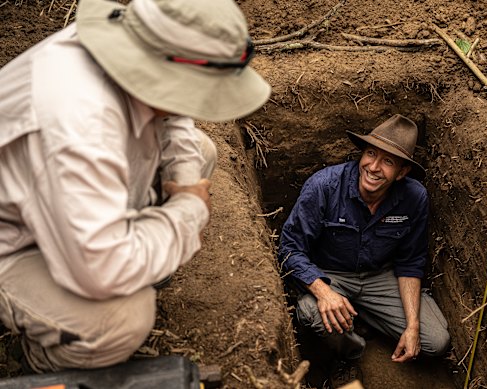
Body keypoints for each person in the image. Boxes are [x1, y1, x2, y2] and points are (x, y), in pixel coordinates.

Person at [0, 0, 270, 373]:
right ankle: (39, 360)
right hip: (15, 241)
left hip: (61, 200)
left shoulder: (135, 47)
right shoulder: (79, 124)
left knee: (199, 152)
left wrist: (187, 188)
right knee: (121, 319)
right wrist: (188, 213)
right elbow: (102, 270)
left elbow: (176, 114)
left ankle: (142, 255)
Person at [278, 114, 450, 384]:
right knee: (312, 312)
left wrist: (413, 326)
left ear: (402, 172)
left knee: (434, 342)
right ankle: (351, 350)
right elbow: (290, 247)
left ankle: (363, 317)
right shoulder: (324, 186)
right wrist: (324, 292)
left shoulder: (414, 198)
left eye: (388, 161)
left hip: (380, 277)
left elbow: (411, 261)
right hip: (330, 274)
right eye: (371, 154)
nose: (374, 166)